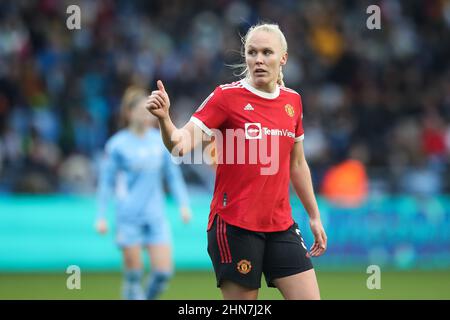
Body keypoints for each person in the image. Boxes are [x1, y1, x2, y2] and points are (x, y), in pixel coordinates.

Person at [146, 23, 327, 300]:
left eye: (267, 52)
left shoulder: (293, 101)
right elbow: (180, 146)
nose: (259, 59)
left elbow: (297, 164)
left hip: (281, 225)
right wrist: (165, 120)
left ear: (283, 58)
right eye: (252, 52)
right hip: (235, 225)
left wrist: (313, 215)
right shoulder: (226, 97)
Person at [95, 86, 192, 300]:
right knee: (134, 274)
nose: (145, 114)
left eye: (148, 110)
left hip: (155, 216)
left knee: (163, 273)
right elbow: (106, 183)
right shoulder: (117, 145)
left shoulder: (160, 141)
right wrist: (101, 216)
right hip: (128, 217)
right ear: (128, 113)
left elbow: (173, 176)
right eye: (139, 110)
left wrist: (183, 205)